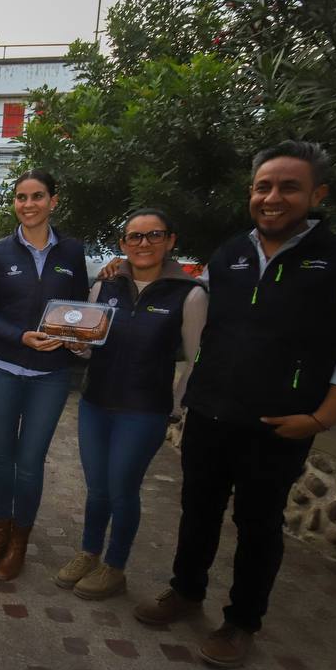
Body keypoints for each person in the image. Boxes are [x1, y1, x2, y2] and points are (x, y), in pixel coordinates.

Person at [134, 141, 336, 668]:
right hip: (210, 413)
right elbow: (193, 306)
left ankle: (241, 621)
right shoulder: (230, 253)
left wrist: (322, 417)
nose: (273, 197)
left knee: (259, 524)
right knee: (197, 512)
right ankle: (185, 592)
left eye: (288, 187)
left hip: (280, 423)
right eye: (263, 187)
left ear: (317, 194)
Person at [54, 208, 206, 600]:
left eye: (153, 235)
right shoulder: (105, 288)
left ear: (170, 240)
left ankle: (115, 565)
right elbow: (87, 349)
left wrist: (175, 406)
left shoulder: (188, 294)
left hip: (145, 410)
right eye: (134, 237)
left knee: (122, 487)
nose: (143, 244)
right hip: (96, 403)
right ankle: (89, 553)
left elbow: (196, 360)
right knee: (97, 487)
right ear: (122, 244)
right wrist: (74, 343)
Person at [0, 170, 88, 581]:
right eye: (21, 197)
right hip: (1, 367)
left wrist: (76, 338)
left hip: (50, 375)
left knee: (30, 463)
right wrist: (22, 336)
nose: (28, 204)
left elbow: (78, 312)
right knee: (2, 460)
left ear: (53, 201)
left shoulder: (73, 252)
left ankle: (19, 543)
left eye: (37, 196)